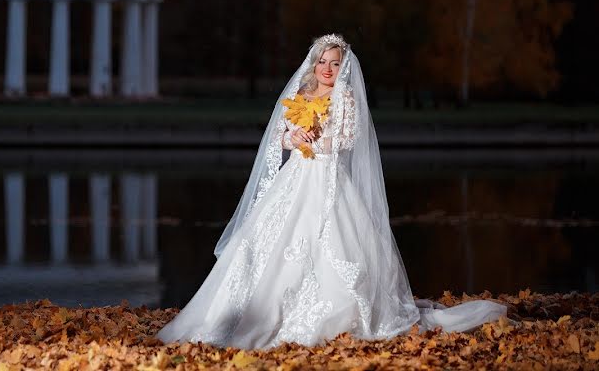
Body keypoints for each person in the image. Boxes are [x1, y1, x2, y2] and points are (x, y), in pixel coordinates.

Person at [155, 33, 506, 350]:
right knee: (267, 244)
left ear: (343, 68)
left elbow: (348, 138)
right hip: (295, 178)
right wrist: (293, 137)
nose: (327, 68)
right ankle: (245, 314)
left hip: (329, 178)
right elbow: (280, 136)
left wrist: (318, 140)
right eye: (322, 61)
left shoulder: (346, 98)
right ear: (313, 63)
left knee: (334, 245)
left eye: (334, 63)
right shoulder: (299, 94)